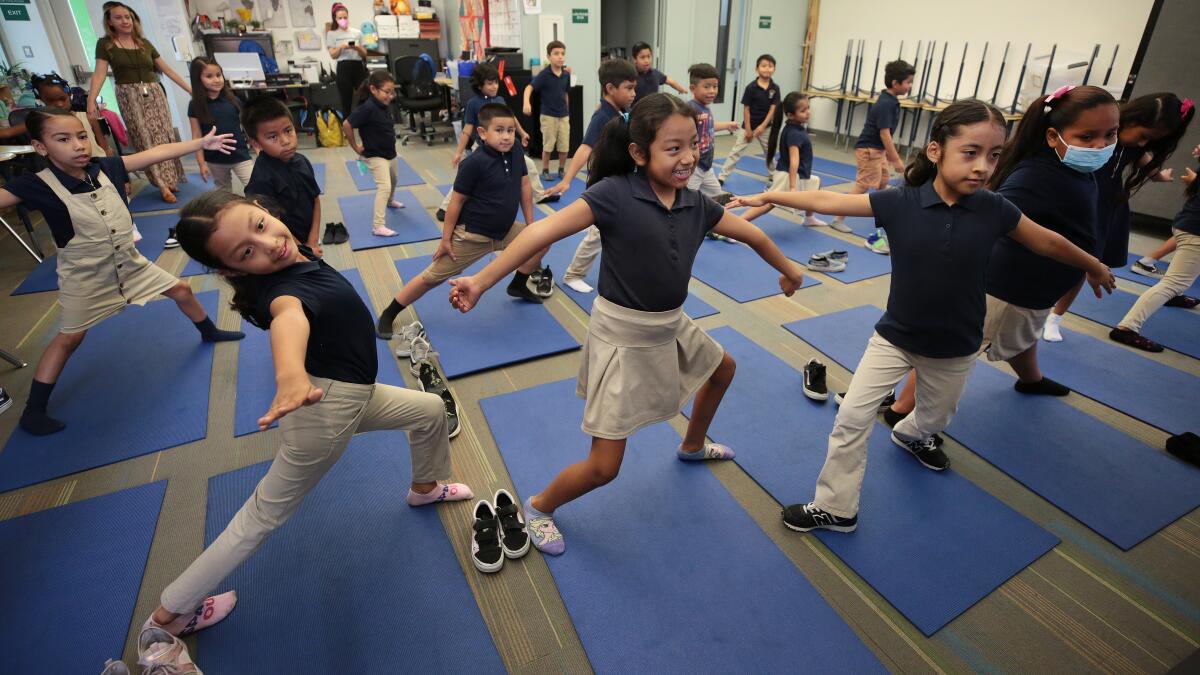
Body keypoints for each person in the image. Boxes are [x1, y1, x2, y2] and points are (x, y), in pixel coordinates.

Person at [727, 99, 1114, 533]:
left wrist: (1094, 264)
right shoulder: (900, 203)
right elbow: (827, 196)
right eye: (970, 153)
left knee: (934, 417)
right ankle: (836, 507)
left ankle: (912, 434)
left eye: (993, 155)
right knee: (852, 416)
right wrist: (771, 194)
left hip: (956, 345)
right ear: (936, 151)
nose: (983, 166)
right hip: (895, 336)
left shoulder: (995, 209)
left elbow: (1047, 242)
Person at [449, 93, 806, 555]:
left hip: (670, 324)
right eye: (672, 148)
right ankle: (539, 505)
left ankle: (692, 444)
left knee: (723, 369)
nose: (687, 157)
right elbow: (541, 231)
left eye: (690, 145)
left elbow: (753, 233)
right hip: (623, 337)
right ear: (639, 153)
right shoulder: (614, 195)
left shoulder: (695, 203)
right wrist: (480, 279)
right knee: (604, 467)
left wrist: (790, 270)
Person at [133, 190, 472, 673]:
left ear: (268, 209)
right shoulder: (281, 293)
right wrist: (289, 376)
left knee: (428, 411)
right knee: (258, 519)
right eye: (245, 252)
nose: (268, 243)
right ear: (232, 271)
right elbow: (289, 320)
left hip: (350, 393)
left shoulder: (295, 256)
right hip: (324, 412)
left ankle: (424, 487)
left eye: (261, 224)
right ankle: (165, 618)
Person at [0, 110, 244, 436]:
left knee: (182, 290)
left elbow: (153, 154)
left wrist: (201, 142)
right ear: (40, 147)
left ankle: (209, 331)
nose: (78, 145)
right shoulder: (36, 185)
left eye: (82, 136)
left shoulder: (106, 167)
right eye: (63, 139)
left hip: (130, 263)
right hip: (84, 278)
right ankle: (34, 410)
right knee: (69, 338)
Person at [375, 102, 547, 342]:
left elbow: (524, 186)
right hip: (472, 236)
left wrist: (531, 226)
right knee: (431, 277)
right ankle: (390, 312)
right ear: (483, 133)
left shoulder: (516, 150)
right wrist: (445, 240)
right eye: (499, 130)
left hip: (505, 230)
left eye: (510, 130)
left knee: (543, 238)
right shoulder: (473, 163)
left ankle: (518, 284)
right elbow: (455, 203)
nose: (506, 136)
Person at [1043, 94, 1195, 341]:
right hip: (1077, 197)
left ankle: (1055, 317)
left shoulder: (1135, 148)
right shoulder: (1097, 136)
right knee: (1053, 251)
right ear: (1130, 119)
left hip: (1105, 206)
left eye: (1151, 140)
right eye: (1144, 135)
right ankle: (1038, 306)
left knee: (1084, 264)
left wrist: (1160, 176)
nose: (1144, 143)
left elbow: (1148, 164)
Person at [87, 1, 192, 204]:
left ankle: (171, 178)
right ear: (109, 21)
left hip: (154, 93)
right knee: (145, 139)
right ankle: (161, 185)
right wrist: (91, 100)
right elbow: (99, 74)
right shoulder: (106, 44)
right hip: (129, 96)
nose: (125, 21)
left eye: (128, 17)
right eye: (119, 17)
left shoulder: (144, 43)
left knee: (165, 136)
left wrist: (191, 90)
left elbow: (167, 70)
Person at [549, 59, 639, 293]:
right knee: (596, 236)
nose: (633, 93)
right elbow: (585, 148)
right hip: (605, 187)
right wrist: (567, 180)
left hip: (625, 183)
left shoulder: (623, 112)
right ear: (610, 88)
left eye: (634, 88)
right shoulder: (602, 117)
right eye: (628, 88)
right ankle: (573, 274)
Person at [1109, 163, 1200, 351]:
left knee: (1180, 274)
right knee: (1173, 283)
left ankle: (1175, 295)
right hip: (1195, 229)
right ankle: (1127, 328)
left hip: (1189, 223)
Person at [830, 59, 915, 242]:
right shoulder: (886, 103)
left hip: (878, 150)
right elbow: (884, 134)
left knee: (883, 181)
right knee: (862, 184)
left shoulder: (890, 100)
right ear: (895, 83)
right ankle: (838, 218)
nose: (910, 86)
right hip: (869, 150)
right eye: (908, 82)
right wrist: (896, 160)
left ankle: (883, 213)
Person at [243, 97, 324, 256]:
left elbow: (315, 199)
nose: (286, 141)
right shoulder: (261, 179)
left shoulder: (302, 161)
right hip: (284, 247)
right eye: (272, 137)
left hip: (308, 240)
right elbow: (273, 224)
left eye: (288, 131)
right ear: (256, 143)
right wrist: (302, 250)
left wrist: (312, 240)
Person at [738, 92, 827, 228]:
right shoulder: (794, 134)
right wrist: (792, 188)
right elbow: (794, 161)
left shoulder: (795, 128)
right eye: (803, 110)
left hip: (798, 174)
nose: (808, 112)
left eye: (808, 108)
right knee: (768, 203)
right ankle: (739, 223)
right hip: (788, 176)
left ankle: (809, 218)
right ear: (791, 114)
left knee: (816, 183)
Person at [344, 70, 405, 238]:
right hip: (375, 155)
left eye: (392, 91)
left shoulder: (384, 105)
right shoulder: (367, 108)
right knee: (384, 187)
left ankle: (390, 201)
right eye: (387, 91)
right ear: (373, 89)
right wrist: (356, 147)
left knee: (394, 180)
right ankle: (378, 226)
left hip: (389, 152)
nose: (390, 96)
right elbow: (347, 124)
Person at [188, 57, 253, 197]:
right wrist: (201, 164)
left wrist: (257, 146)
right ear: (198, 79)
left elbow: (247, 126)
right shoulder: (195, 105)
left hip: (240, 155)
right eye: (209, 76)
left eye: (219, 75)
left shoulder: (234, 101)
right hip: (215, 159)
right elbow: (196, 136)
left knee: (255, 186)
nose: (216, 80)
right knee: (223, 193)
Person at [715, 54, 780, 183]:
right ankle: (722, 177)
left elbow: (773, 108)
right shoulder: (751, 87)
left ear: (774, 69)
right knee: (736, 151)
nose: (767, 69)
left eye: (770, 66)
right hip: (749, 126)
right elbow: (746, 109)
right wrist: (749, 129)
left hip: (766, 127)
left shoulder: (775, 88)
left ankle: (774, 175)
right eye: (764, 66)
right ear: (757, 69)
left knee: (770, 152)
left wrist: (762, 126)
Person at [523, 40, 571, 181]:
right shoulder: (544, 75)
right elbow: (529, 88)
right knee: (548, 145)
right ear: (549, 57)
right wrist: (526, 103)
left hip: (563, 115)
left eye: (562, 53)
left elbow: (566, 93)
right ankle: (545, 169)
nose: (560, 56)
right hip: (548, 115)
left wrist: (568, 111)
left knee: (564, 146)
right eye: (556, 54)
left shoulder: (566, 75)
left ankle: (561, 169)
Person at [326, 2, 368, 116]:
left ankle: (366, 124)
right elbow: (333, 55)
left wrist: (357, 47)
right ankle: (347, 128)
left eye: (345, 17)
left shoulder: (357, 32)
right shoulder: (331, 34)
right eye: (340, 18)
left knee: (364, 96)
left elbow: (364, 54)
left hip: (358, 66)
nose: (343, 19)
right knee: (346, 100)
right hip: (343, 68)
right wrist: (341, 47)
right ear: (335, 18)